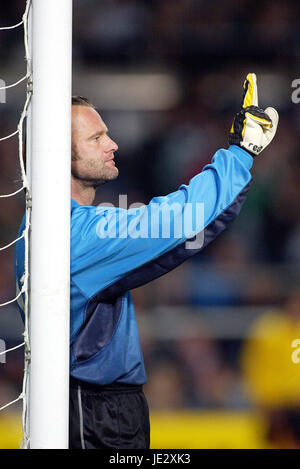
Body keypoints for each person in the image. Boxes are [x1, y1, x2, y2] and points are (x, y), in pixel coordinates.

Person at [15, 73, 278, 449]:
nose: (113, 144)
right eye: (96, 138)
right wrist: (240, 152)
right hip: (93, 413)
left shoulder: (46, 226)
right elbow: (179, 218)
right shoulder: (72, 236)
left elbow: (186, 234)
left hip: (94, 406)